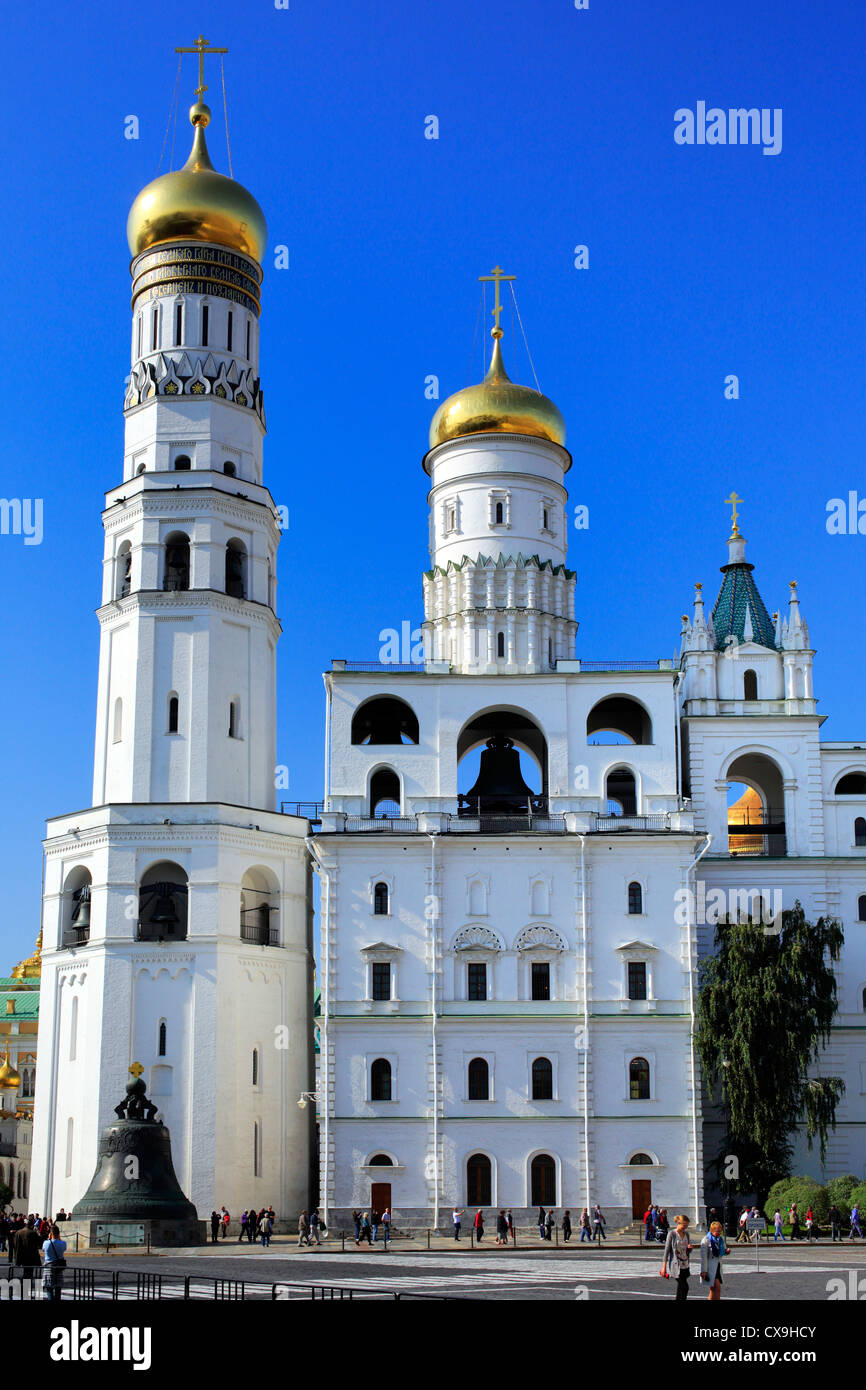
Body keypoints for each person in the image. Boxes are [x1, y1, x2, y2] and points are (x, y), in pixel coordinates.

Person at [662, 1214, 693, 1301]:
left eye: (687, 1226)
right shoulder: (672, 1234)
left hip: (685, 1264)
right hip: (676, 1264)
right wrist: (663, 1268)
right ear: (678, 1223)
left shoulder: (686, 1234)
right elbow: (666, 1251)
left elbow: (687, 1250)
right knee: (684, 1286)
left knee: (682, 1288)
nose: (685, 1227)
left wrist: (689, 1249)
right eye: (684, 1225)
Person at [700, 1221, 727, 1301]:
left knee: (714, 1289)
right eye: (717, 1231)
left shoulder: (720, 1240)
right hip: (710, 1268)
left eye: (720, 1231)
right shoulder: (706, 1240)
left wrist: (726, 1252)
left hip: (717, 1266)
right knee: (716, 1288)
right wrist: (704, 1271)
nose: (719, 1233)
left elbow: (721, 1252)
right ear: (711, 1230)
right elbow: (703, 1257)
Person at [41, 1223, 67, 1303]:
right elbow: (64, 1248)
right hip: (59, 1268)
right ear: (58, 1233)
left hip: (48, 1266)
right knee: (58, 1288)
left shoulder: (46, 1243)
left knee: (49, 1289)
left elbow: (43, 1250)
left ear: (50, 1233)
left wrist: (49, 1238)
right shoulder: (63, 1243)